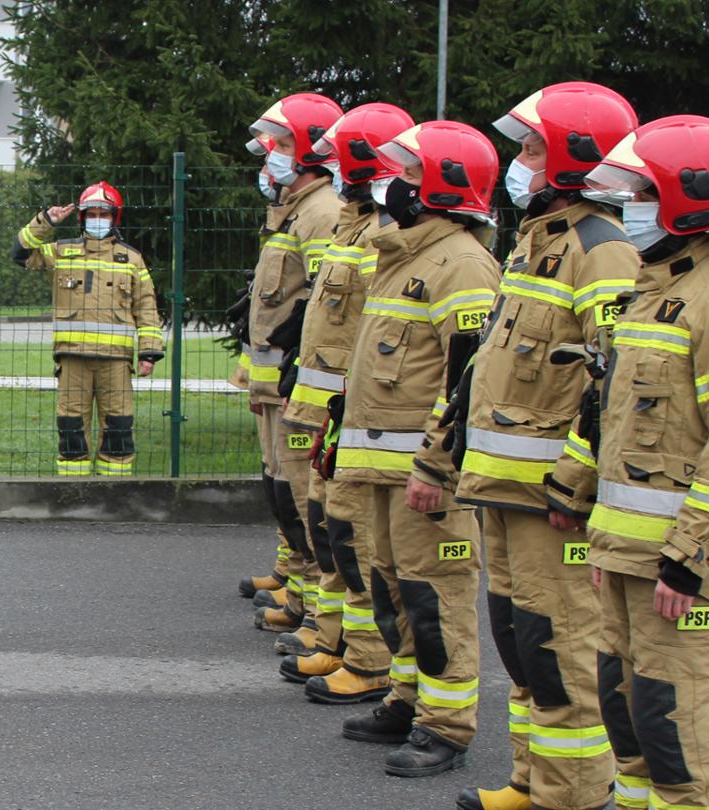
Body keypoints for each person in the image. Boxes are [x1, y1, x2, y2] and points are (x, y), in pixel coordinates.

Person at [568, 114, 709, 810]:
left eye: (641, 193)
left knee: (678, 729)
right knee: (627, 711)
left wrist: (688, 556)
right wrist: (601, 532)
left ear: (686, 197)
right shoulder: (654, 289)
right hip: (630, 551)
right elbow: (618, 427)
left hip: (682, 561)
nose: (628, 209)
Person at [433, 82, 640, 810]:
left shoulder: (601, 252)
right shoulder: (536, 244)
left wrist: (576, 485)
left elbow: (616, 381)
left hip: (550, 500)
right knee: (522, 644)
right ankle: (532, 778)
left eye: (530, 148)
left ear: (577, 159)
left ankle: (573, 794)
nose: (516, 162)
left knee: (561, 652)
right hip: (501, 490)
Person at [333, 120, 499, 778]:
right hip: (380, 466)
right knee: (391, 587)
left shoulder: (461, 261)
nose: (390, 185)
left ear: (439, 186)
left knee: (437, 597)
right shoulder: (403, 257)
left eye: (405, 174)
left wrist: (439, 464)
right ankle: (407, 699)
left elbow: (468, 377)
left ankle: (447, 726)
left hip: (423, 473)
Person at [279, 102, 412, 701]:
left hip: (358, 416)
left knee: (353, 537)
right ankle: (333, 639)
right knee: (330, 527)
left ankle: (363, 659)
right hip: (330, 409)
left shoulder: (385, 232)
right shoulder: (351, 224)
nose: (327, 165)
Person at [235, 93, 346, 637]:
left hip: (298, 381)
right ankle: (297, 585)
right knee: (281, 487)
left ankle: (312, 602)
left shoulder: (323, 212)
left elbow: (319, 306)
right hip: (274, 382)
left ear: (307, 152)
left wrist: (290, 367)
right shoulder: (294, 210)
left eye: (279, 146)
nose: (268, 158)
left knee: (300, 494)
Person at [11, 181, 164, 476]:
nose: (97, 219)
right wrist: (46, 222)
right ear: (82, 218)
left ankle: (113, 491)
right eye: (91, 213)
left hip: (116, 361)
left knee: (119, 428)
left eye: (103, 214)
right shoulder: (61, 251)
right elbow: (20, 253)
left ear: (114, 217)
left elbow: (146, 307)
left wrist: (149, 352)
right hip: (73, 359)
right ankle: (72, 491)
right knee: (71, 429)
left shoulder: (132, 258)